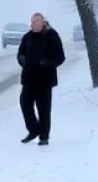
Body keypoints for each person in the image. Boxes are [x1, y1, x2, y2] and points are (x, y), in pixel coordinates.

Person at [16, 12, 66, 147]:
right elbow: (20, 53)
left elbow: (61, 57)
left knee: (43, 109)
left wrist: (47, 63)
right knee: (25, 103)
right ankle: (33, 130)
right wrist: (23, 60)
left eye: (37, 21)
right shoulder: (27, 37)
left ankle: (44, 136)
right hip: (29, 78)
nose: (34, 24)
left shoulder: (51, 35)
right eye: (32, 22)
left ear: (43, 22)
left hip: (45, 79)